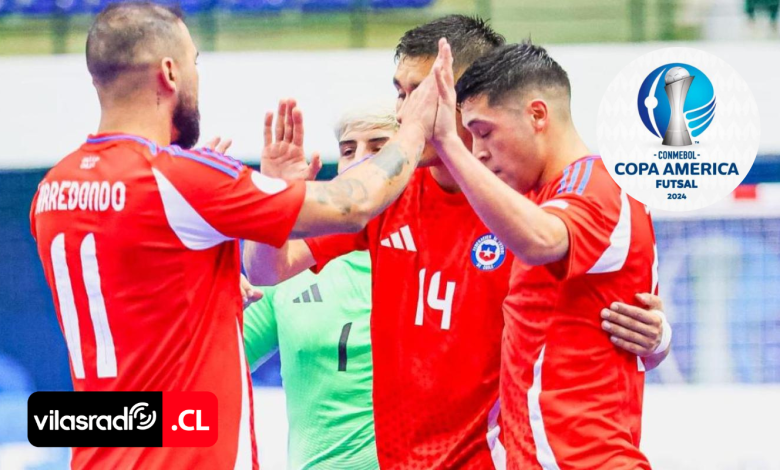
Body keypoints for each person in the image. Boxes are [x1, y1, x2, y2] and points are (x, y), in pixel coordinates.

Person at [28, 2, 442, 468]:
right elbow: (353, 204)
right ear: (170, 72)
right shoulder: (180, 180)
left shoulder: (53, 191)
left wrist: (213, 293)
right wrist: (413, 131)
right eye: (195, 62)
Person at [246, 16, 670, 470]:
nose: (404, 113)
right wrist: (275, 200)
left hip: (496, 458)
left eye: (420, 94)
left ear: (468, 97)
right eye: (400, 93)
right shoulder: (386, 189)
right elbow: (269, 269)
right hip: (402, 460)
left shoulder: (532, 203)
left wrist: (658, 338)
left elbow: (605, 312)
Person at [430, 40, 662, 468]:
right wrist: (658, 340)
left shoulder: (598, 185)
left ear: (537, 115)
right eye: (469, 137)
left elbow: (542, 241)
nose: (478, 151)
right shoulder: (540, 196)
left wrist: (448, 143)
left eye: (484, 132)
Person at [243, 104, 398, 470]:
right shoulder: (294, 268)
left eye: (379, 149)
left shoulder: (439, 257)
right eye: (348, 150)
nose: (361, 162)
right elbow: (203, 370)